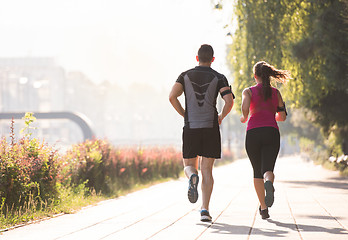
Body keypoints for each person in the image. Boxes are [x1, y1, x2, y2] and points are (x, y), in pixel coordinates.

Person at [169, 44, 234, 222]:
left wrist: (184, 113)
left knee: (189, 165)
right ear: (212, 59)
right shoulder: (219, 77)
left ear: (196, 58)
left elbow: (172, 96)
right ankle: (204, 210)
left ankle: (192, 177)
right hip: (210, 127)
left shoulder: (184, 75)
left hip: (191, 127)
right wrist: (220, 116)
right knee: (208, 170)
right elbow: (229, 101)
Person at [240, 61, 290, 219]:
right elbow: (281, 117)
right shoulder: (276, 93)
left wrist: (243, 117)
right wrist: (271, 115)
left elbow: (245, 112)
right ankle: (269, 181)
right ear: (268, 75)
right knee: (267, 169)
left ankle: (263, 208)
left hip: (253, 133)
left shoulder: (248, 91)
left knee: (256, 171)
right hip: (271, 132)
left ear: (255, 76)